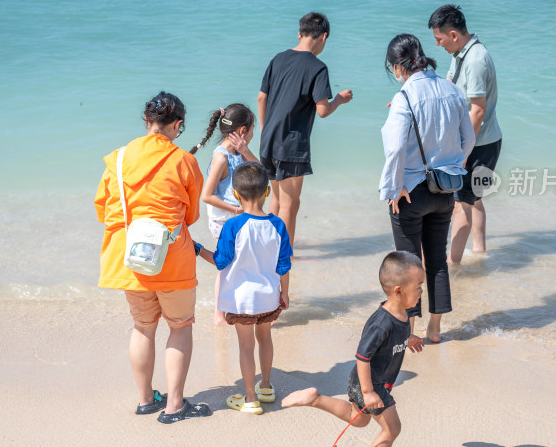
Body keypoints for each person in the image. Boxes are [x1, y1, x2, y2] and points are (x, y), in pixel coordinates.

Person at [95, 91, 212, 424]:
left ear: (146, 122)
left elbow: (104, 211)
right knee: (180, 327)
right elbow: (190, 217)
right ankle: (175, 405)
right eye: (179, 129)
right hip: (172, 260)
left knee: (143, 328)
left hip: (130, 260)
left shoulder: (117, 159)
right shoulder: (184, 161)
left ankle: (146, 400)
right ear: (176, 125)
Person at [379, 34, 475, 343]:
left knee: (407, 263)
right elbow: (468, 139)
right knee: (437, 259)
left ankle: (408, 330)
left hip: (412, 190)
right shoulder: (452, 89)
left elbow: (394, 150)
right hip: (445, 188)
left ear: (397, 67)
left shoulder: (404, 97)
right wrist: (452, 167)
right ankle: (434, 329)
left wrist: (394, 189)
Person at [281, 251, 425, 446]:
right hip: (370, 384)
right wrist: (367, 392)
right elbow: (363, 357)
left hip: (373, 382)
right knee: (392, 428)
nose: (421, 292)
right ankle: (318, 399)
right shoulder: (381, 323)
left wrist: (407, 338)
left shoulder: (401, 314)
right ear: (399, 291)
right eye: (418, 287)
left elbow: (390, 339)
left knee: (357, 419)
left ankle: (315, 399)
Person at [197, 162, 292, 415]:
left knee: (246, 347)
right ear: (267, 193)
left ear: (236, 195)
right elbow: (284, 265)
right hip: (269, 298)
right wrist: (285, 293)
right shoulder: (278, 225)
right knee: (265, 339)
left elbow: (220, 261)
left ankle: (250, 399)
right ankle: (267, 387)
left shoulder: (233, 225)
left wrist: (197, 249)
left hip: (242, 302)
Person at [257, 12, 353, 244]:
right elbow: (323, 110)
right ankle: (284, 256)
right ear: (324, 37)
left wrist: (264, 132)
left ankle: (270, 245)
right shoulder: (318, 67)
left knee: (278, 200)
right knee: (290, 204)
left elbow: (261, 98)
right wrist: (339, 99)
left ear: (299, 33)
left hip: (268, 140)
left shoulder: (278, 58)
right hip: (291, 145)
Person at [428, 4, 503, 264]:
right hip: (482, 141)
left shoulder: (475, 59)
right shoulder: (460, 53)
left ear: (453, 35)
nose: (438, 44)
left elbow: (478, 111)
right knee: (474, 199)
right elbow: (448, 87)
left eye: (439, 39)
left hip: (480, 144)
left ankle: (452, 264)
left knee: (461, 203)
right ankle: (480, 252)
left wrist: (462, 150)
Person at [194, 103, 258, 326]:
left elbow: (260, 173)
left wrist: (246, 151)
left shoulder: (239, 154)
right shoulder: (221, 157)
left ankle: (238, 305)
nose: (251, 135)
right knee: (225, 265)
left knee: (238, 263)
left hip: (238, 218)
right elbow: (207, 196)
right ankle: (219, 315)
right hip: (224, 219)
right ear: (242, 131)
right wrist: (236, 210)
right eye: (251, 131)